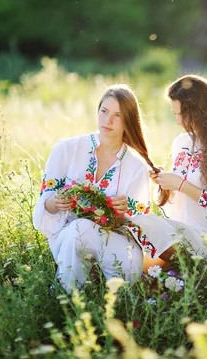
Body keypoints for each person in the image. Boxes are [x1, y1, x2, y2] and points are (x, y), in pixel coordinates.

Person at [33, 84, 164, 293]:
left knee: (85, 231)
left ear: (128, 121)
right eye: (104, 111)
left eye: (117, 115)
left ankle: (113, 304)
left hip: (116, 248)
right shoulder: (67, 149)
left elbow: (141, 228)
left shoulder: (136, 166)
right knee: (78, 229)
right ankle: (72, 300)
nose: (107, 120)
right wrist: (55, 202)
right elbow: (44, 208)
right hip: (68, 241)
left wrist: (124, 213)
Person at [127, 75, 207, 260]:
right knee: (135, 223)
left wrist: (181, 184)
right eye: (175, 114)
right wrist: (165, 184)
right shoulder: (182, 143)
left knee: (144, 224)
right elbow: (176, 208)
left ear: (200, 111)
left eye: (181, 114)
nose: (178, 121)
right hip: (182, 232)